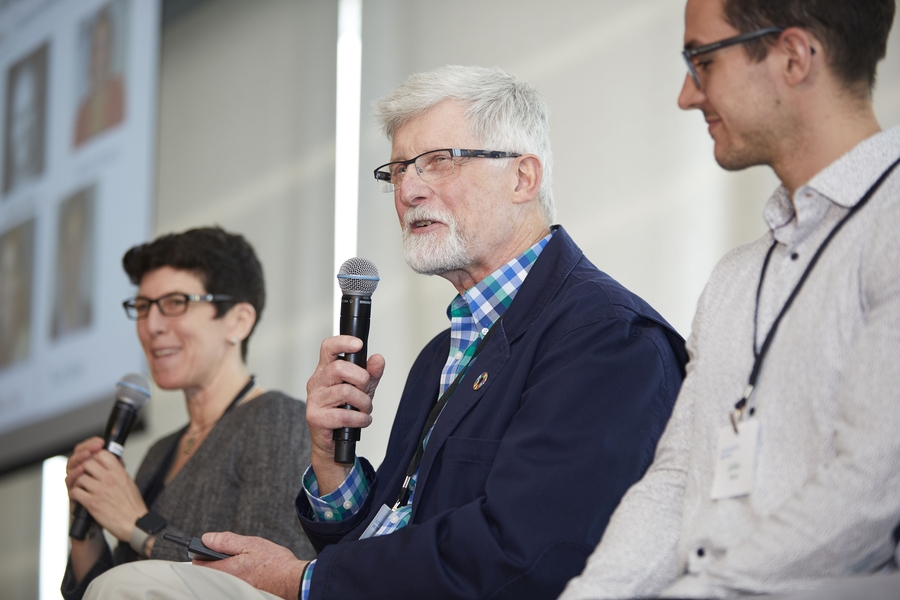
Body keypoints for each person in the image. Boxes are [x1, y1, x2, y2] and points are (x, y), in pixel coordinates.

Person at [84, 65, 687, 600]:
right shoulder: (441, 353)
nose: (408, 190)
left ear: (523, 178)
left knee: (131, 588)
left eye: (440, 161)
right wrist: (332, 463)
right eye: (398, 169)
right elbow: (386, 542)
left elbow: (530, 552)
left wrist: (301, 581)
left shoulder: (606, 336)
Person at [560, 0, 900, 598]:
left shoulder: (888, 228)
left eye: (703, 60)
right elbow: (677, 481)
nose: (686, 95)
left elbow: (872, 488)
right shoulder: (736, 277)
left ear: (793, 57)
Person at [63, 227, 316, 600]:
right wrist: (86, 516)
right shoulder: (159, 453)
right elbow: (109, 588)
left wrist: (138, 525)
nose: (151, 326)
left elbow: (269, 580)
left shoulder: (277, 418)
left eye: (175, 302)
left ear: (238, 321)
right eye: (143, 307)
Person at [73, 5, 126, 147]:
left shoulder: (119, 90)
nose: (101, 56)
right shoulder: (82, 113)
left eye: (106, 46)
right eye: (96, 47)